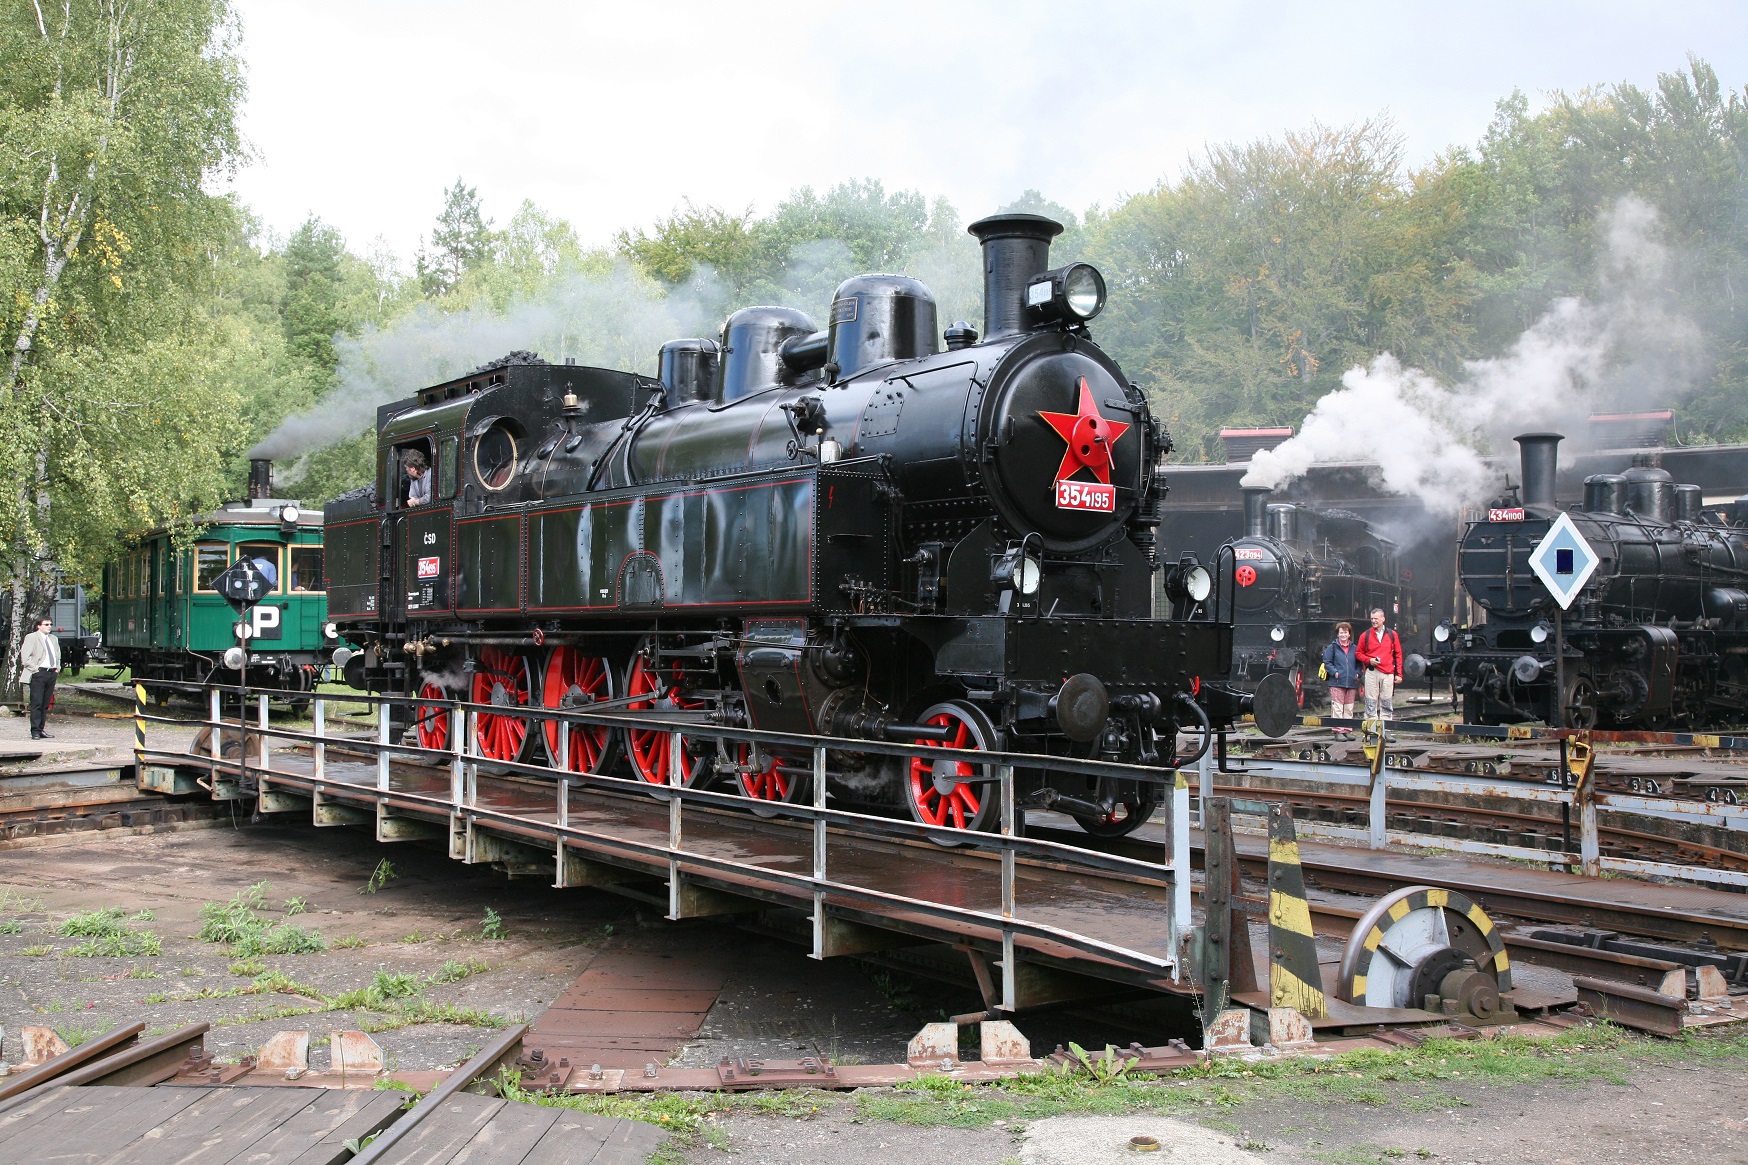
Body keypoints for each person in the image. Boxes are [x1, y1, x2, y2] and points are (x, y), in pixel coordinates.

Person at [1355, 607, 1404, 732]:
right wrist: (1368, 660)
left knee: (1386, 701)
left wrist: (1399, 674)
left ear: (1383, 619)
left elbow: (1398, 654)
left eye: (1376, 619)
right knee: (1371, 702)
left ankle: (1386, 730)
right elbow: (1358, 653)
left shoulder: (1393, 635)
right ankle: (1371, 730)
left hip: (1388, 673)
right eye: (1372, 619)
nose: (1373, 621)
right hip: (1372, 672)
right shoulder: (1365, 635)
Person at [18, 616, 60, 740]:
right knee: (36, 702)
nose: (49, 627)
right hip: (38, 673)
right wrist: (35, 669)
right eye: (46, 624)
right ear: (39, 626)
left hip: (51, 673)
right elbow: (25, 657)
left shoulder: (53, 639)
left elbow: (57, 654)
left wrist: (57, 667)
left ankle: (41, 729)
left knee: (45, 703)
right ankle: (35, 731)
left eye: (50, 624)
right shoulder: (32, 637)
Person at [1319, 621, 1360, 740]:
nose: (1343, 635)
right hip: (1337, 682)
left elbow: (1358, 663)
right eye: (1341, 632)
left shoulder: (1354, 648)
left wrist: (1358, 673)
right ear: (1337, 634)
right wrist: (1335, 672)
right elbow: (1327, 662)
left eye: (1345, 632)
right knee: (1337, 706)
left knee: (1348, 707)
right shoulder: (1332, 647)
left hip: (1351, 681)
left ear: (1349, 634)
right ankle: (1338, 731)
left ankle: (1347, 730)